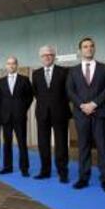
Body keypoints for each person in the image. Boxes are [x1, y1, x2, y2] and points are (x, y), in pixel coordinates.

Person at [66, 37, 105, 194]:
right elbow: (70, 91)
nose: (88, 48)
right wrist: (82, 105)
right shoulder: (73, 71)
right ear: (80, 50)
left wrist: (93, 104)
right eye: (85, 46)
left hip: (99, 113)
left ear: (94, 49)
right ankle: (83, 178)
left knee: (102, 147)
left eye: (91, 46)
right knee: (83, 147)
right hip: (81, 115)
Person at [32, 45, 71, 183]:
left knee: (61, 144)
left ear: (54, 56)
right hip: (42, 113)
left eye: (50, 54)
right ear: (40, 58)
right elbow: (36, 93)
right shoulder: (35, 74)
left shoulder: (64, 71)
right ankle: (45, 171)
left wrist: (57, 104)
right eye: (44, 55)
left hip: (60, 112)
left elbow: (68, 92)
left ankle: (63, 172)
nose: (47, 57)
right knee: (43, 143)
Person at [0, 56, 33, 177]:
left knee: (22, 143)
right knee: (7, 143)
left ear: (17, 65)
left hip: (20, 116)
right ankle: (7, 167)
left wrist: (23, 109)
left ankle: (24, 168)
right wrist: (2, 113)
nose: (11, 66)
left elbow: (30, 97)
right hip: (6, 117)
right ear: (6, 66)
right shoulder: (0, 82)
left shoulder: (24, 79)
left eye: (13, 64)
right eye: (9, 64)